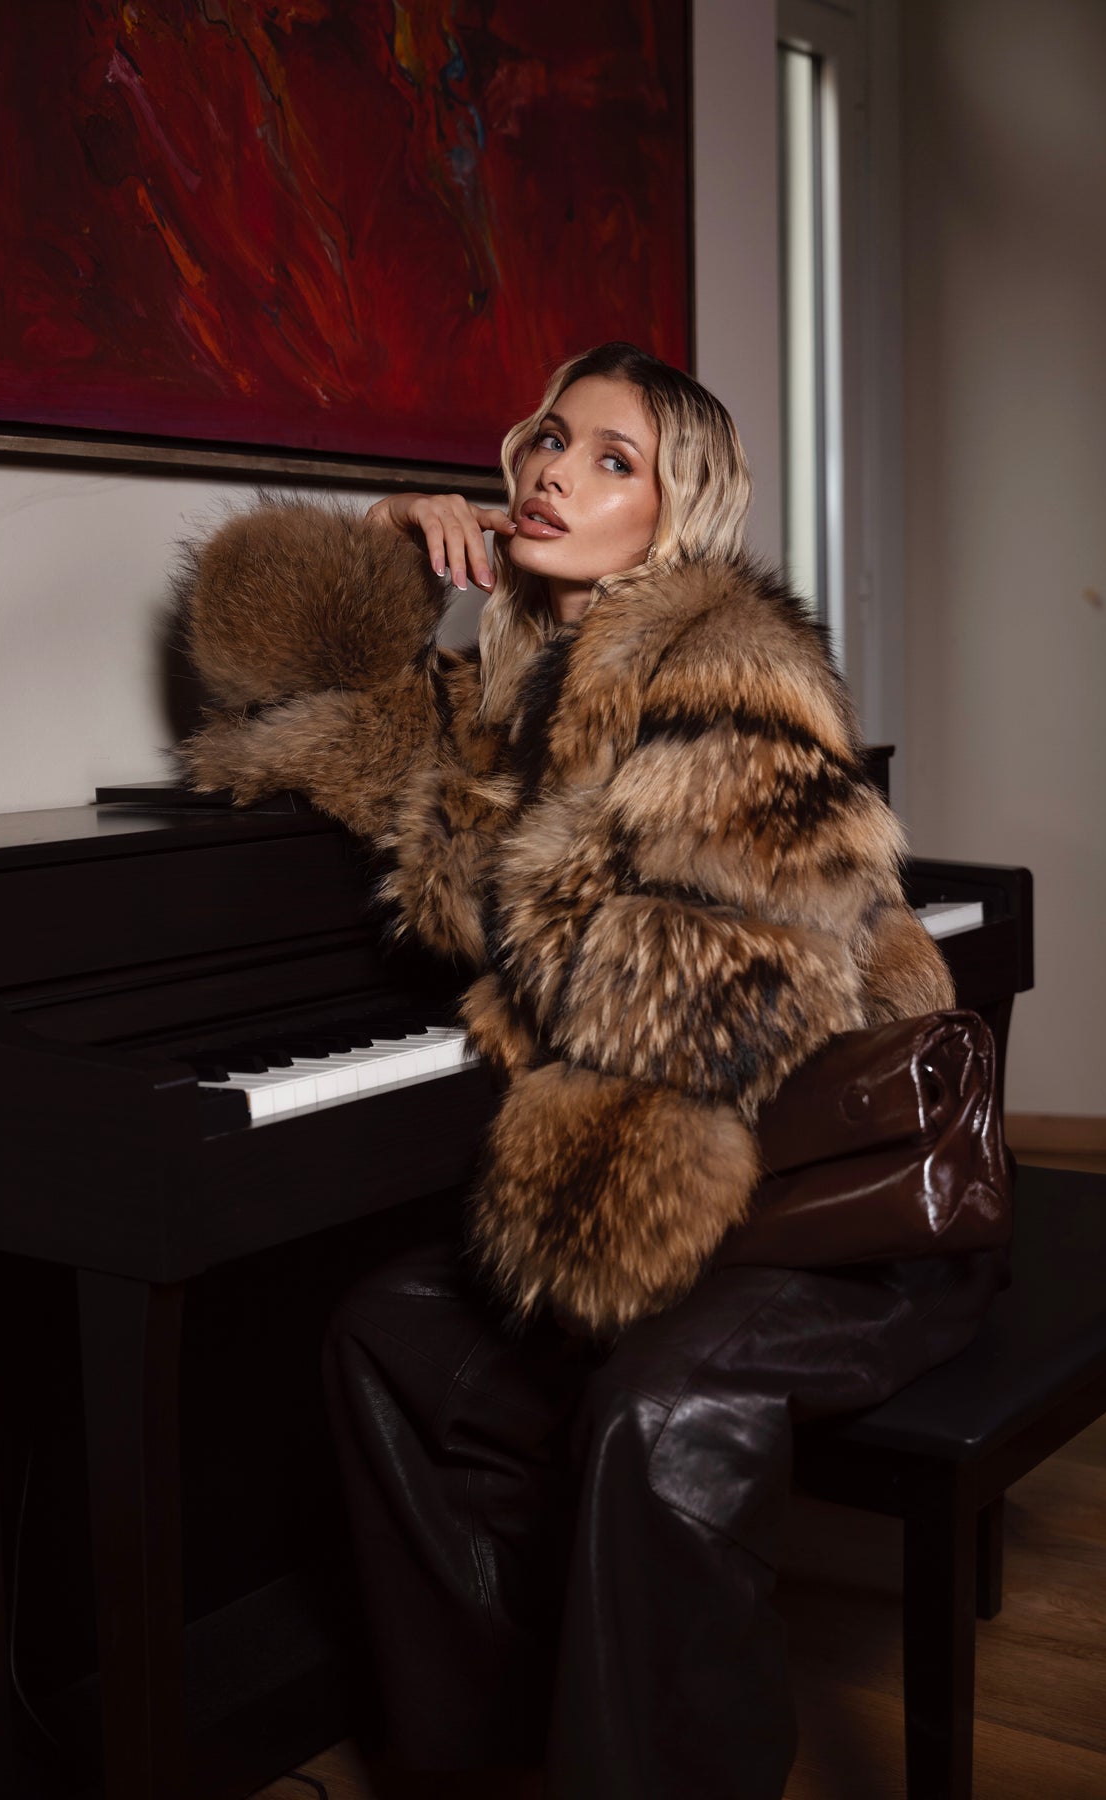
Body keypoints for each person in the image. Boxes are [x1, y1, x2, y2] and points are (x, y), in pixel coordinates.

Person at [177, 342, 1007, 1799]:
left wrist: (501, 966)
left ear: (676, 516)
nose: (556, 471)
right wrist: (382, 555)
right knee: (385, 1340)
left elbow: (706, 1013)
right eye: (552, 441)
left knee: (651, 1413)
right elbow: (270, 727)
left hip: (831, 1199)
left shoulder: (730, 668)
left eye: (614, 459)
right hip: (678, 1176)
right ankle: (485, 1759)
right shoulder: (505, 695)